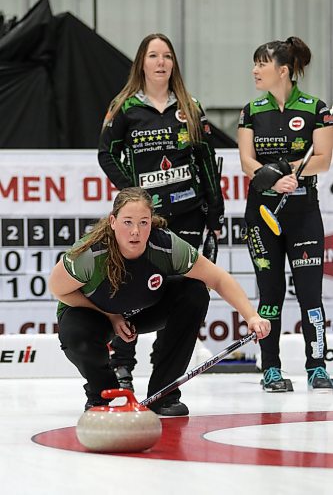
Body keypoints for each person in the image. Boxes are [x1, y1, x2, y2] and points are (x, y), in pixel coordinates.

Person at [48, 187, 270, 415]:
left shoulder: (166, 245)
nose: (135, 231)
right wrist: (111, 316)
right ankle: (102, 394)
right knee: (76, 337)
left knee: (194, 292)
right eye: (127, 222)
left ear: (151, 223)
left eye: (143, 223)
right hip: (96, 314)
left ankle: (163, 394)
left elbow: (218, 278)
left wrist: (251, 316)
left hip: (140, 312)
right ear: (113, 221)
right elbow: (59, 289)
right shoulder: (89, 254)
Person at [98, 33, 224, 391]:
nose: (161, 62)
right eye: (153, 55)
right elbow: (105, 153)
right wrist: (132, 194)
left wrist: (215, 210)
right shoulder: (124, 105)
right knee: (133, 286)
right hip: (144, 218)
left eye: (166, 56)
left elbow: (206, 160)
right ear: (142, 62)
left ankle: (165, 376)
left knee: (184, 290)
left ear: (173, 63)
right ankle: (122, 365)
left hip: (187, 212)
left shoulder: (190, 105)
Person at [237, 36, 333, 392]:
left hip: (303, 213)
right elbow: (247, 161)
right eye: (255, 63)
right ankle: (271, 369)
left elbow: (322, 159)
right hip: (262, 215)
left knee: (310, 294)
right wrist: (273, 177)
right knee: (270, 293)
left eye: (262, 63)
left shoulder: (316, 109)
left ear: (283, 70)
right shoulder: (251, 110)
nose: (255, 70)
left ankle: (317, 366)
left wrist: (285, 169)